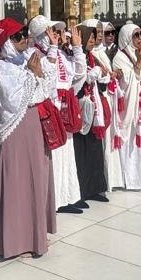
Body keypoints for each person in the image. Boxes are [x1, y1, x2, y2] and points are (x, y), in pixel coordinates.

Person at [0, 18, 57, 256]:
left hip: (32, 124)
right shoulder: (1, 67)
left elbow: (45, 90)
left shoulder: (26, 62)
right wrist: (33, 74)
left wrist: (36, 73)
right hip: (14, 128)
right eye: (16, 36)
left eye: (24, 34)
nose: (23, 39)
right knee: (17, 181)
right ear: (5, 42)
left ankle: (36, 236)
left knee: (37, 177)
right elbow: (13, 98)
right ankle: (16, 241)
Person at [29, 15, 88, 213]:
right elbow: (47, 80)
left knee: (67, 152)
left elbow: (78, 75)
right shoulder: (35, 54)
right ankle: (54, 200)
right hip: (49, 111)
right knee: (53, 154)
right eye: (51, 31)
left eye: (56, 31)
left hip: (64, 106)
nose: (56, 35)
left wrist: (78, 49)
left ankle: (68, 195)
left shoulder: (60, 54)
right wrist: (53, 49)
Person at [112, 22, 141, 190]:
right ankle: (134, 179)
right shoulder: (120, 57)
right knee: (134, 144)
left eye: (140, 34)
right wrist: (139, 61)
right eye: (136, 35)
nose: (140, 38)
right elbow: (129, 82)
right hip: (133, 107)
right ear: (127, 37)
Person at [73, 22, 112, 202]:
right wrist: (94, 73)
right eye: (88, 37)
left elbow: (102, 78)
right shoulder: (74, 56)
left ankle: (96, 188)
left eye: (92, 37)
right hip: (81, 107)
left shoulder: (92, 57)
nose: (91, 40)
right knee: (81, 152)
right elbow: (78, 79)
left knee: (95, 150)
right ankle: (82, 191)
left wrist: (100, 74)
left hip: (93, 108)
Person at [85, 20, 123, 190]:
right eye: (97, 32)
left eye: (102, 31)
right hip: (97, 99)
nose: (100, 35)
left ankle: (112, 179)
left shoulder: (101, 52)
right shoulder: (89, 54)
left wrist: (111, 75)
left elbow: (107, 74)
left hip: (108, 98)